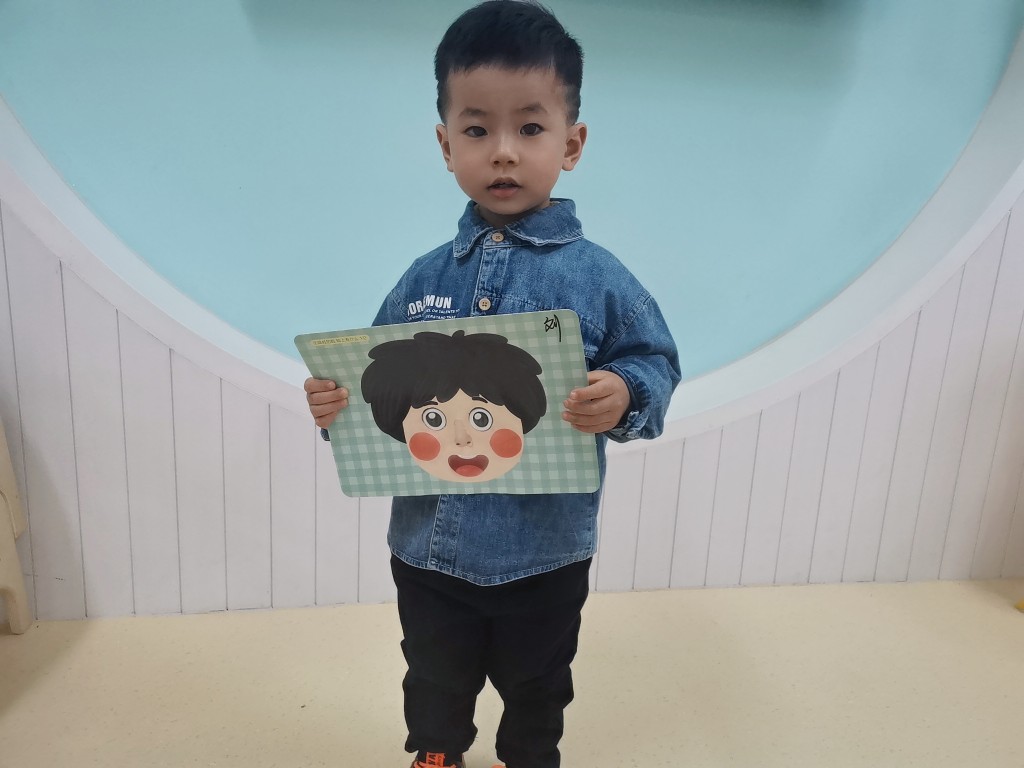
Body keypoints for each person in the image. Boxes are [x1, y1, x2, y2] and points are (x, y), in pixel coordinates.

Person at [304, 2, 681, 766]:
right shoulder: (423, 278)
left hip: (546, 553)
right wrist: (334, 406)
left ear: (571, 143)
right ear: (446, 145)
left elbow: (654, 361)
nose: (503, 153)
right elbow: (372, 382)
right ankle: (436, 752)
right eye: (477, 130)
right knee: (433, 676)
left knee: (538, 683)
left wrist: (624, 391)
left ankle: (530, 757)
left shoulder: (599, 278)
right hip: (426, 551)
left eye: (530, 128)